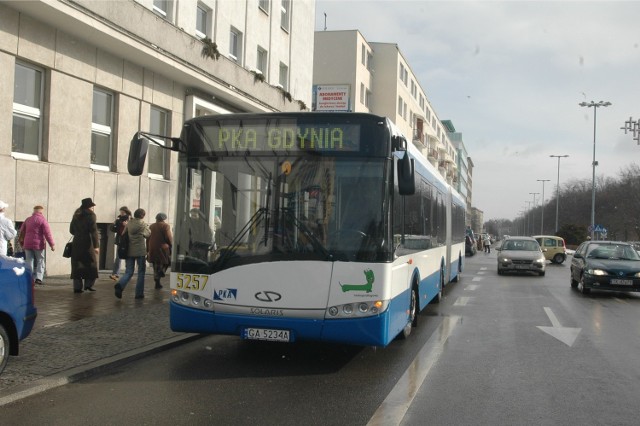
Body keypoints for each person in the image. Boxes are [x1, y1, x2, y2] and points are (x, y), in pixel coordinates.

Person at [114, 208, 151, 300]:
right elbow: (148, 234)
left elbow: (123, 233)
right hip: (140, 252)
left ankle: (120, 285)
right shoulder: (143, 224)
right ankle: (139, 294)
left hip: (129, 251)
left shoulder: (129, 223)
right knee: (141, 273)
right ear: (143, 216)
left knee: (129, 272)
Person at [19, 205, 55, 285]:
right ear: (41, 212)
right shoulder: (42, 220)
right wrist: (52, 244)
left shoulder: (28, 219)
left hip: (27, 243)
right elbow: (47, 233)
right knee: (40, 260)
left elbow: (21, 231)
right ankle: (38, 278)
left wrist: (22, 242)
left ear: (34, 211)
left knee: (29, 260)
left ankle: (29, 277)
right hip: (39, 244)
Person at [69, 198, 100, 293]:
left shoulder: (76, 214)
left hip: (77, 242)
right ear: (89, 206)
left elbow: (71, 230)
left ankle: (77, 287)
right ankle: (88, 285)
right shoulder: (91, 215)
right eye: (92, 206)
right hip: (88, 242)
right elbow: (94, 231)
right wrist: (96, 246)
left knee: (77, 264)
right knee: (91, 263)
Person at [148, 212, 173, 289]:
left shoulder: (151, 226)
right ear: (164, 219)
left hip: (152, 247)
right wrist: (172, 245)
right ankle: (161, 271)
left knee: (155, 265)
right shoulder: (165, 226)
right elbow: (168, 238)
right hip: (163, 248)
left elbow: (148, 237)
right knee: (167, 262)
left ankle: (157, 282)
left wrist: (148, 248)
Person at [109, 206, 132, 281]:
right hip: (120, 241)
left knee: (128, 258)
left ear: (127, 212)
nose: (121, 214)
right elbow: (113, 229)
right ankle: (115, 274)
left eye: (123, 212)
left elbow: (133, 230)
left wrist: (127, 225)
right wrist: (114, 224)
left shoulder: (130, 220)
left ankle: (128, 274)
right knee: (118, 258)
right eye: (121, 212)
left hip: (128, 241)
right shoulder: (118, 220)